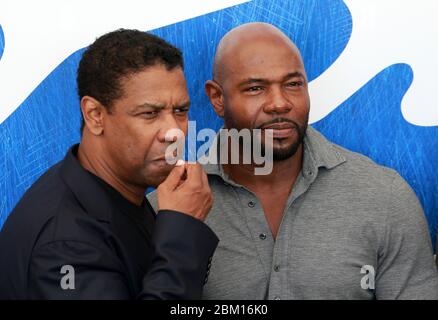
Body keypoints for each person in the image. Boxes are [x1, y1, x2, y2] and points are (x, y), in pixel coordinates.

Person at [148, 22, 438, 299]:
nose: (279, 102)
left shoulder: (384, 197)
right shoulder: (168, 210)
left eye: (293, 84)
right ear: (217, 98)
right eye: (255, 88)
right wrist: (178, 230)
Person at [0, 29, 217, 299]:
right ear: (95, 115)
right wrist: (182, 232)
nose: (174, 132)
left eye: (180, 111)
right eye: (149, 114)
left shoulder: (119, 194)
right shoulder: (65, 245)